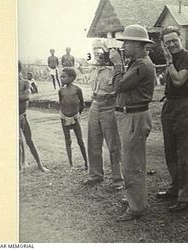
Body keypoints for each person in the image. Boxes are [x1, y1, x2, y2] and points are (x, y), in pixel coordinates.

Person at [109, 24, 155, 221]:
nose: (124, 46)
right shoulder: (138, 62)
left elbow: (119, 85)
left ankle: (137, 207)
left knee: (132, 163)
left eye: (127, 42)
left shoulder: (142, 65)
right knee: (133, 161)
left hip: (134, 117)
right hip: (131, 116)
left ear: (137, 44)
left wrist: (117, 65)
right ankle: (135, 199)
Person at [156, 26, 188, 212]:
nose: (172, 44)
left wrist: (168, 61)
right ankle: (175, 187)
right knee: (171, 150)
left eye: (175, 40)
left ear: (180, 39)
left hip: (186, 104)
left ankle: (187, 197)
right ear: (163, 44)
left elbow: (179, 81)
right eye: (168, 42)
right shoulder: (171, 59)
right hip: (170, 104)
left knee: (186, 151)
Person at [84, 39, 123, 188]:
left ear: (106, 51)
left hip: (109, 105)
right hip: (95, 105)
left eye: (99, 49)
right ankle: (95, 175)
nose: (96, 52)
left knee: (113, 143)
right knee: (93, 141)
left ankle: (118, 178)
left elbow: (119, 87)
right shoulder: (93, 67)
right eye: (94, 49)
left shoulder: (114, 68)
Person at [19, 61, 49, 173]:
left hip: (23, 115)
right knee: (18, 141)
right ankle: (21, 166)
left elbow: (26, 96)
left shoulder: (25, 82)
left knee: (29, 140)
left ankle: (40, 165)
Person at [58, 67, 88, 169]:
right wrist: (65, 116)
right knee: (68, 140)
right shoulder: (61, 90)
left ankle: (86, 163)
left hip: (75, 117)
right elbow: (61, 103)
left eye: (63, 77)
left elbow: (82, 104)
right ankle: (71, 164)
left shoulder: (77, 89)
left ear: (71, 78)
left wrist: (77, 115)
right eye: (60, 76)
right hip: (64, 117)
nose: (61, 78)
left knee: (80, 140)